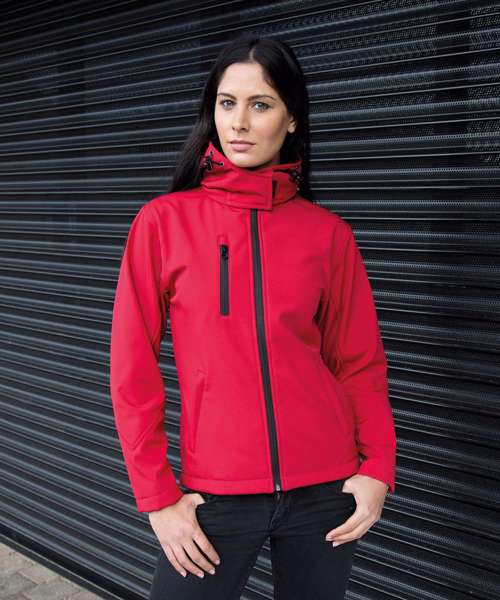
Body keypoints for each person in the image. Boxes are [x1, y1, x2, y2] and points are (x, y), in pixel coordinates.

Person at [109, 34, 396, 600]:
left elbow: (359, 362)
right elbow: (131, 370)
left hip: (326, 490)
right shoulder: (163, 222)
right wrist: (158, 497)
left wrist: (377, 468)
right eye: (227, 102)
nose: (238, 122)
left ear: (291, 119)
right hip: (216, 492)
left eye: (260, 104)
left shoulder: (328, 235)